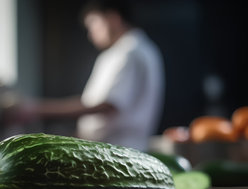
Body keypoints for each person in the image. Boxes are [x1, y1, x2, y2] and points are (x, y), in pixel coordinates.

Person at [9, 0, 164, 151]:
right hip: (112, 149)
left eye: (93, 24)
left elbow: (107, 104)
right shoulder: (134, 50)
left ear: (113, 18)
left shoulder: (129, 53)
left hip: (115, 152)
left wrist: (36, 109)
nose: (91, 34)